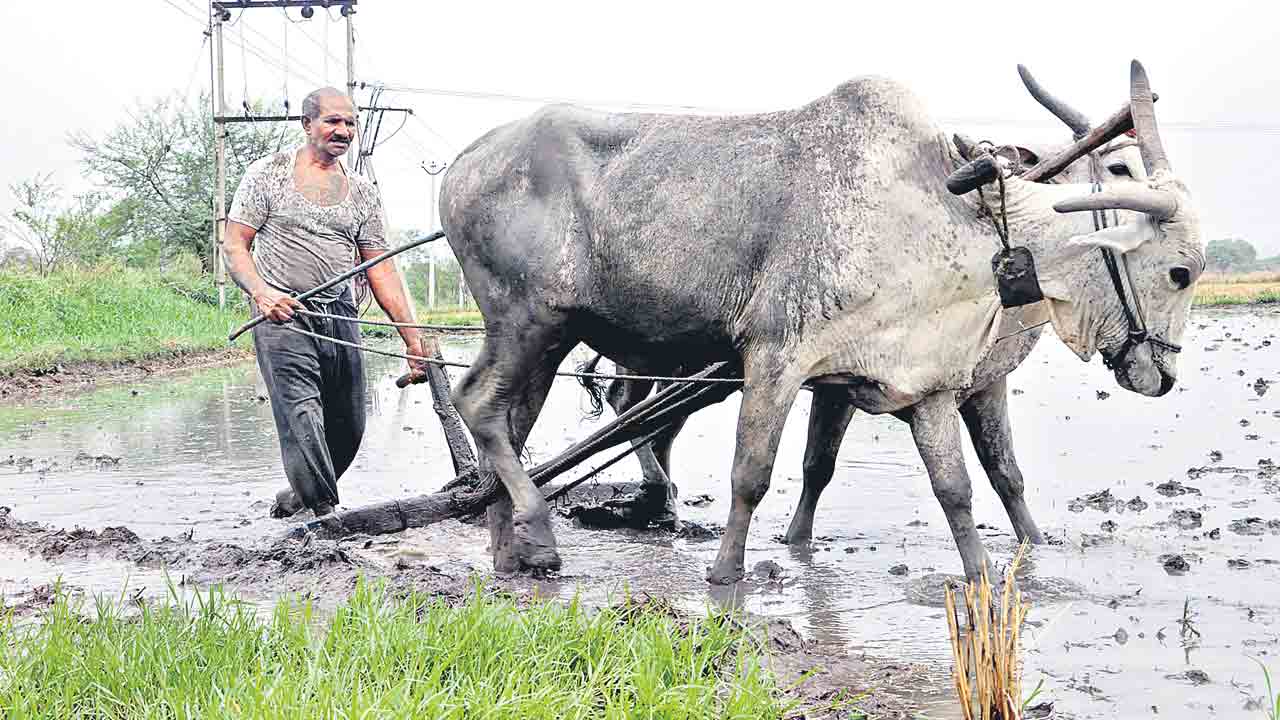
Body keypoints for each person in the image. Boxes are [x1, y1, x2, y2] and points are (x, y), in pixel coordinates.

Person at [222, 86, 428, 518]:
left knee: (349, 427)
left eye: (350, 123)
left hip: (340, 314)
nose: (344, 131)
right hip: (283, 316)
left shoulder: (362, 192)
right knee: (303, 415)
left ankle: (299, 497)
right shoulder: (268, 175)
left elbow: (381, 269)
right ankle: (324, 518)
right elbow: (235, 245)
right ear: (307, 124)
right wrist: (261, 292)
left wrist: (412, 339)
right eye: (333, 121)